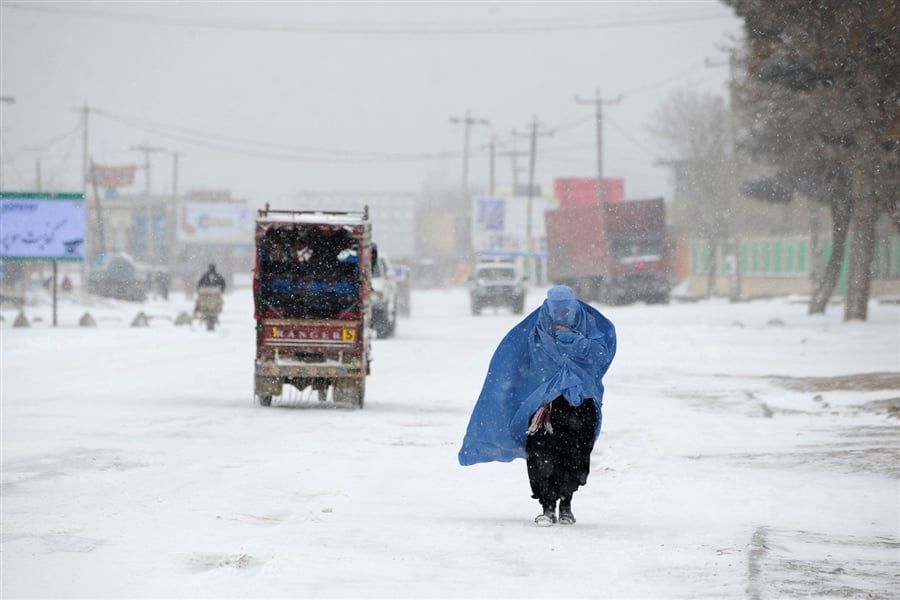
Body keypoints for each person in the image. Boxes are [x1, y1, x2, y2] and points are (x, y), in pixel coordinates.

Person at [459, 285, 616, 526]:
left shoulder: (589, 325)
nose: (562, 315)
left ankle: (566, 504)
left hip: (580, 402)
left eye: (567, 309)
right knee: (542, 454)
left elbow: (600, 355)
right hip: (544, 407)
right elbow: (514, 362)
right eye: (557, 309)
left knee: (575, 454)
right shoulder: (534, 329)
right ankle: (547, 505)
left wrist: (574, 341)